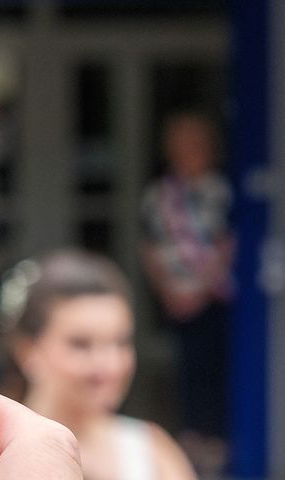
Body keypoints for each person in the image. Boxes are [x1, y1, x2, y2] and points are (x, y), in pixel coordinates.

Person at [0, 250, 196, 480]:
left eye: (120, 342)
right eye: (81, 344)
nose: (109, 365)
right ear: (27, 350)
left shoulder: (151, 449)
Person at [140, 111, 234, 472]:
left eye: (196, 143)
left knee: (218, 371)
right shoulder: (159, 194)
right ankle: (192, 446)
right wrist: (167, 291)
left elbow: (230, 241)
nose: (188, 150)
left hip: (216, 299)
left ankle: (219, 444)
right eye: (181, 144)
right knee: (188, 373)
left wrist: (203, 288)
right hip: (177, 301)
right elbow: (148, 244)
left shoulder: (222, 188)